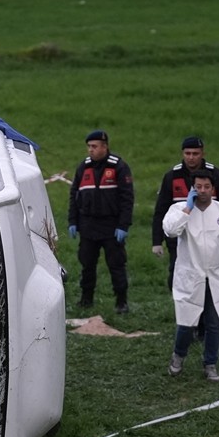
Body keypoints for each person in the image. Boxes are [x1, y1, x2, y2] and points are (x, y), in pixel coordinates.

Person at [162, 170, 219, 383]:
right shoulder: (179, 209)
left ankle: (210, 363)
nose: (202, 191)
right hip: (191, 276)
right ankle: (178, 356)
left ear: (213, 188)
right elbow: (170, 230)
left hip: (215, 277)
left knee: (213, 323)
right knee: (186, 322)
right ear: (192, 188)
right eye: (198, 187)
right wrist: (187, 209)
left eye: (206, 187)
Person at [68, 129, 134, 313]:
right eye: (89, 146)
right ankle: (86, 299)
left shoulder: (118, 167)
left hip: (111, 226)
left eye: (94, 146)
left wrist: (123, 225)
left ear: (105, 147)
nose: (91, 150)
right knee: (87, 264)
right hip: (88, 226)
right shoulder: (84, 167)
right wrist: (73, 221)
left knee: (116, 264)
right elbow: (74, 195)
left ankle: (121, 302)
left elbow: (127, 198)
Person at [151, 136, 219, 289]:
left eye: (195, 153)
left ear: (203, 154)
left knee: (208, 280)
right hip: (180, 238)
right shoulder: (172, 176)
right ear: (182, 154)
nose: (191, 158)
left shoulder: (215, 175)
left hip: (209, 237)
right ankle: (181, 309)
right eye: (187, 153)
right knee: (177, 276)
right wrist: (156, 241)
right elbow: (161, 210)